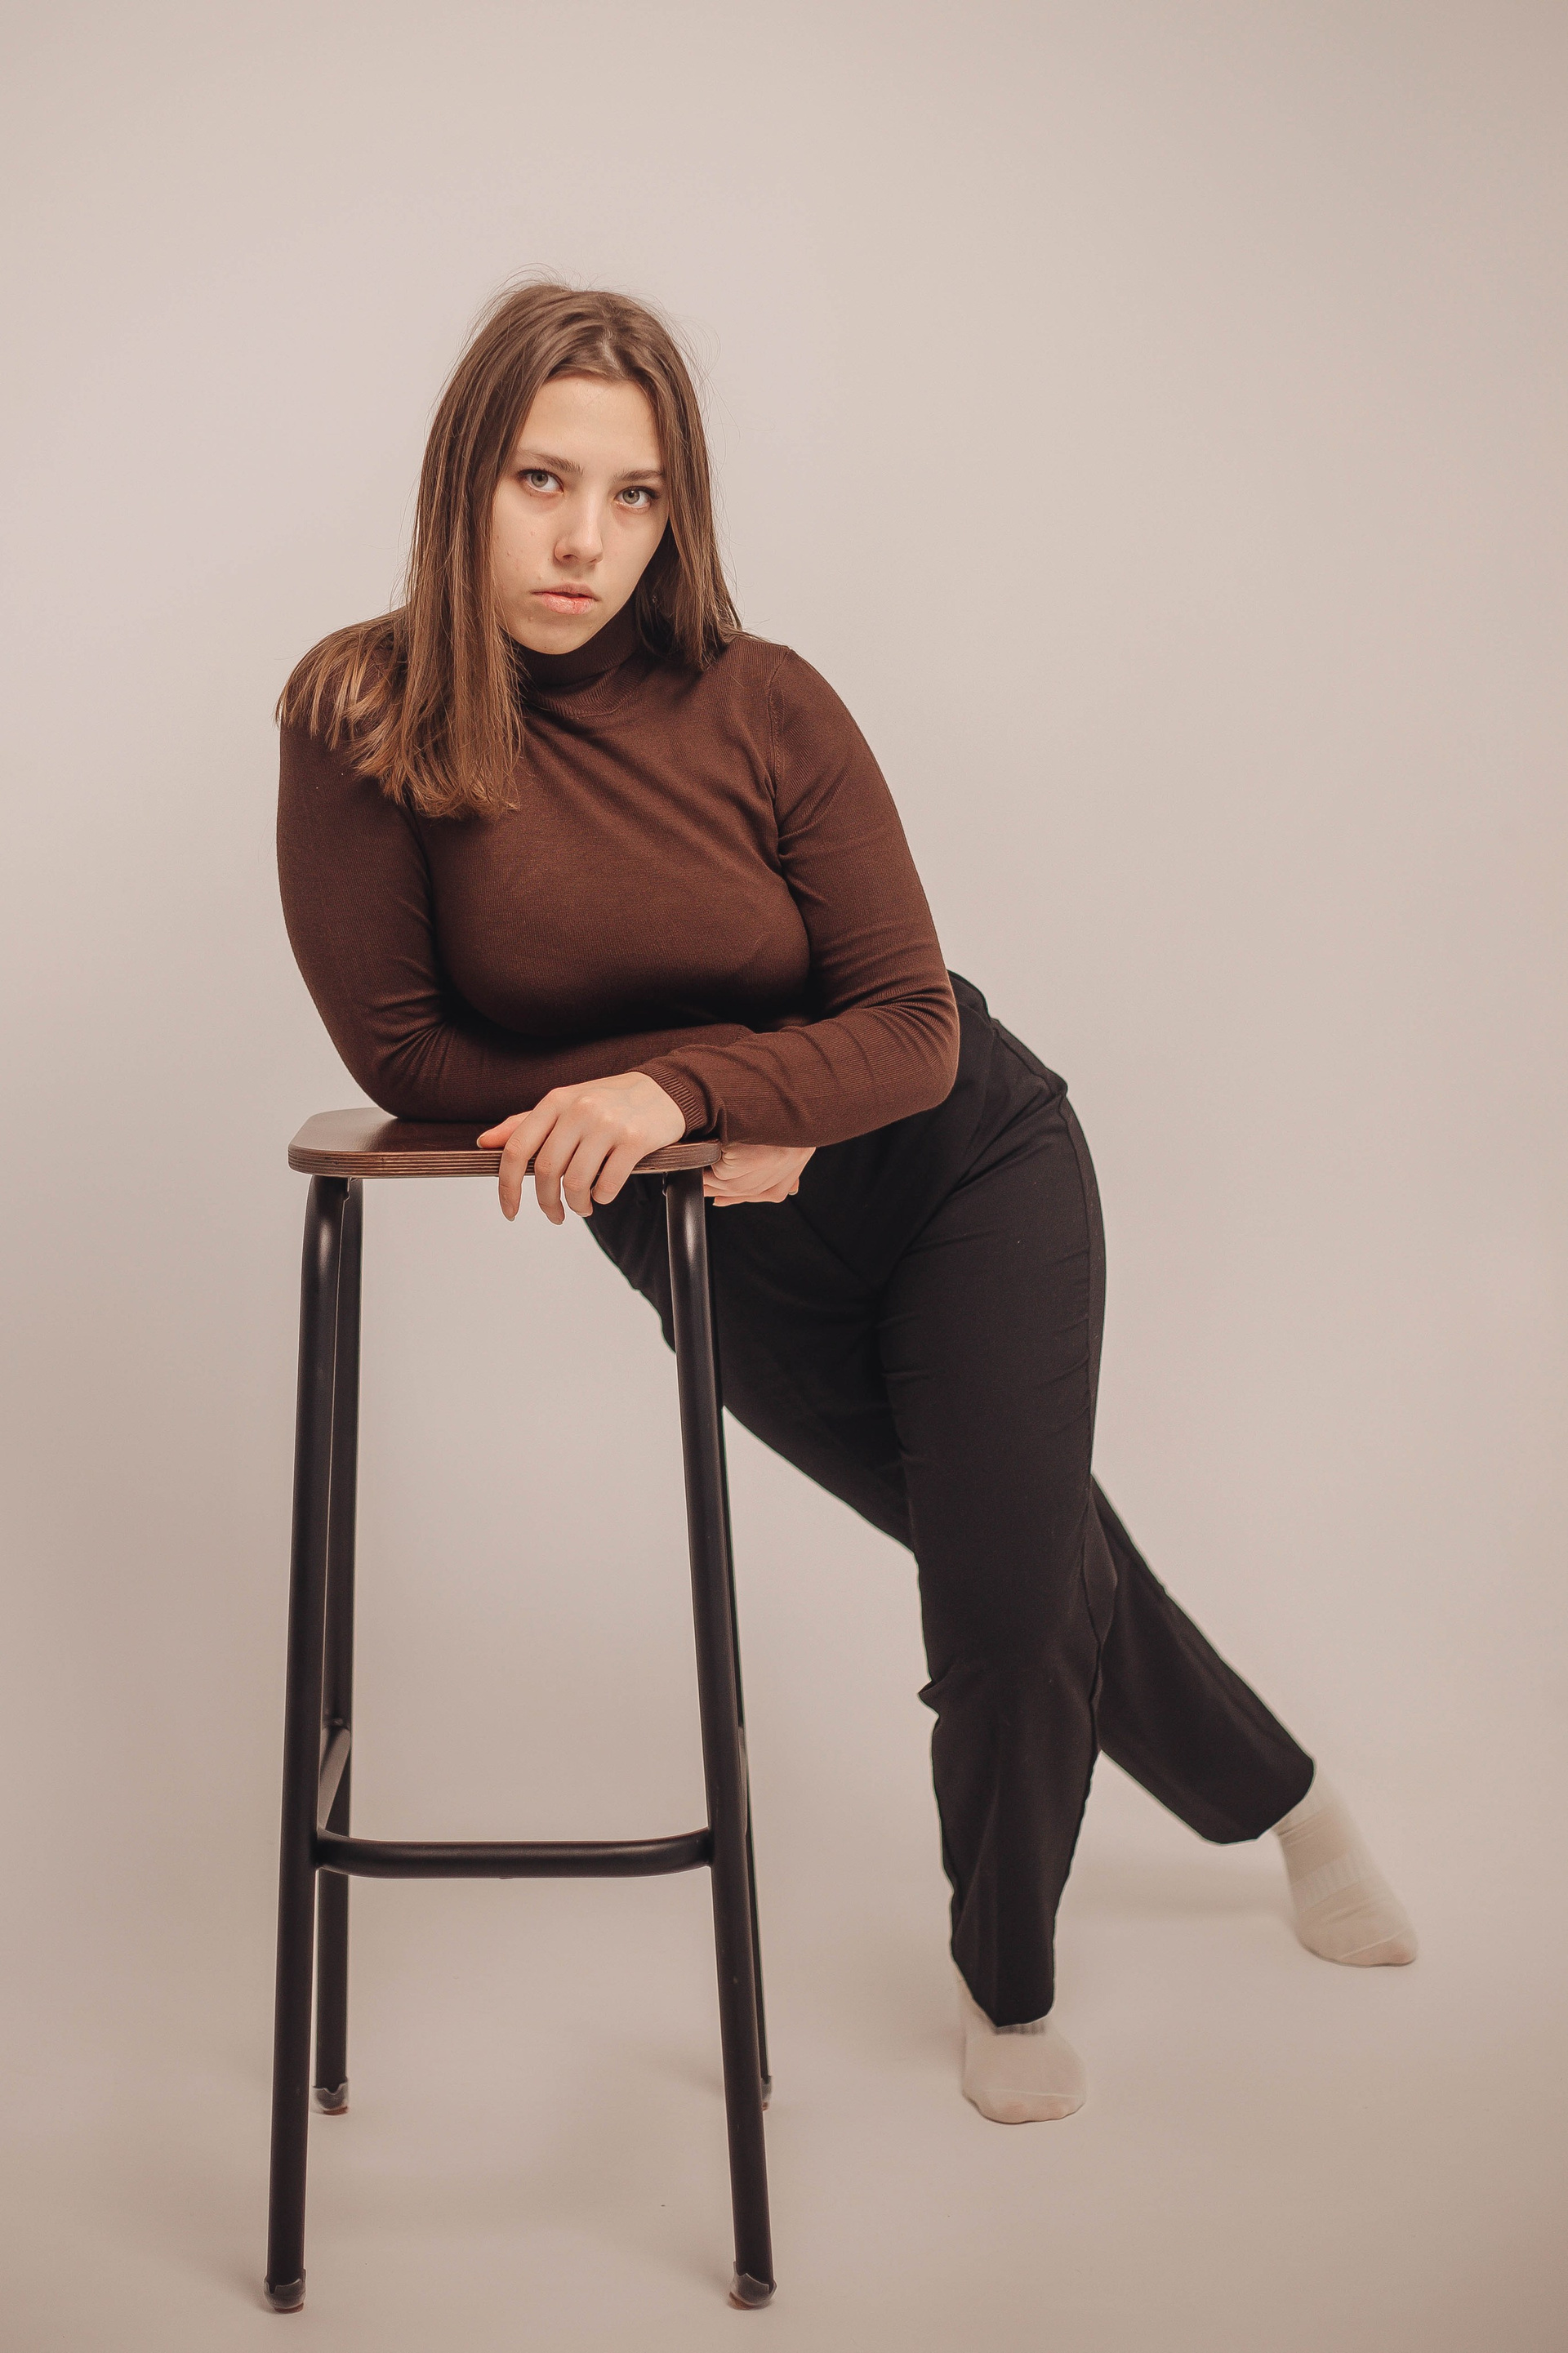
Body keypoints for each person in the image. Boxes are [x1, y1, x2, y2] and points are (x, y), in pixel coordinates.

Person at [276, 280, 1415, 2125]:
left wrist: (702, 1089)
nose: (584, 541)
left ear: (679, 511)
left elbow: (910, 1023)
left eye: (635, 495)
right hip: (707, 1236)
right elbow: (409, 1050)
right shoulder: (364, 709)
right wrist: (703, 1105)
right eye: (542, 479)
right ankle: (1292, 1800)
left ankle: (1008, 1981)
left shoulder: (764, 699)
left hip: (964, 1163)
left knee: (1005, 1604)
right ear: (462, 475)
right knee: (1035, 1557)